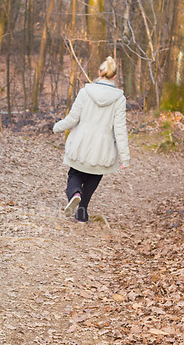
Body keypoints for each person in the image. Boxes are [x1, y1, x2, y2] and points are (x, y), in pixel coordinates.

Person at [53, 56, 130, 222]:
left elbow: (72, 119)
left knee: (75, 174)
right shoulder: (119, 99)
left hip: (81, 144)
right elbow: (120, 130)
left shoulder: (85, 92)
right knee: (94, 176)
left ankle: (75, 193)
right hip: (103, 149)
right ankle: (82, 212)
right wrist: (125, 157)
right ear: (115, 76)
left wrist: (57, 127)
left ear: (100, 72)